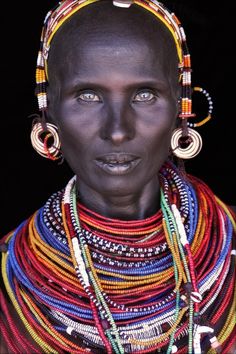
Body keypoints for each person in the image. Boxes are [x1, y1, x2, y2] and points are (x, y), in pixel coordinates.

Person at [1, 0, 235, 353]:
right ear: (49, 114)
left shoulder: (227, 245)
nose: (118, 131)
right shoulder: (11, 277)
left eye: (144, 94)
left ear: (180, 110)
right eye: (88, 95)